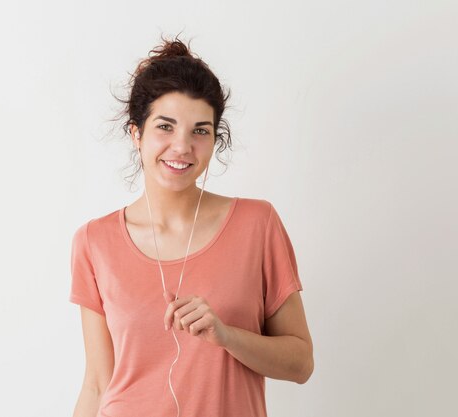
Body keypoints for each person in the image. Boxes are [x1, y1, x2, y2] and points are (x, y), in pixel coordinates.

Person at [69, 36, 314, 417]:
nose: (182, 146)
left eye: (200, 131)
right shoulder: (94, 241)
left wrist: (226, 335)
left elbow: (301, 363)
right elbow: (98, 383)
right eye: (165, 127)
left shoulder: (258, 225)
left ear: (215, 139)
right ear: (136, 134)